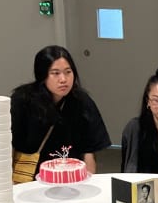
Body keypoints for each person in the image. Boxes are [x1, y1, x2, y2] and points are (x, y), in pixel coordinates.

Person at [10, 46, 110, 177]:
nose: (63, 79)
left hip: (71, 177)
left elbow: (89, 150)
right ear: (42, 75)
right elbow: (8, 143)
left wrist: (88, 180)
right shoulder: (23, 100)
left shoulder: (81, 101)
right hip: (32, 178)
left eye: (68, 72)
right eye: (55, 73)